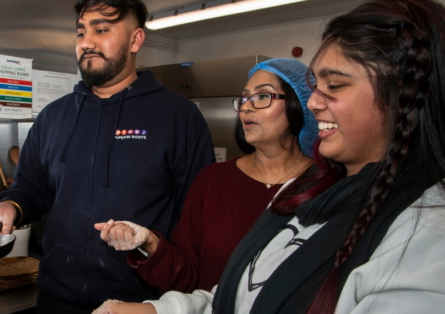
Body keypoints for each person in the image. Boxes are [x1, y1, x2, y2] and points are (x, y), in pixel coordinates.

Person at [91, 0, 445, 313]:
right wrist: (154, 302)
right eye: (243, 99)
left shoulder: (424, 231)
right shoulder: (307, 192)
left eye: (334, 86)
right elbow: (241, 292)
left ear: (403, 94)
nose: (315, 102)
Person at [0, 0, 215, 313]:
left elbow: (197, 220)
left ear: (136, 40)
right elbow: (32, 188)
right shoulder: (53, 117)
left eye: (101, 30)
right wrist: (10, 205)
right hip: (55, 299)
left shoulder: (179, 117)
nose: (86, 43)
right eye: (81, 33)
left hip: (139, 304)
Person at [93, 58, 317, 294]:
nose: (246, 107)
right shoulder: (212, 181)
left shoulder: (326, 184)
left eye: (262, 97)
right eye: (243, 98)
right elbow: (186, 274)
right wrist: (148, 241)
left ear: (298, 104)